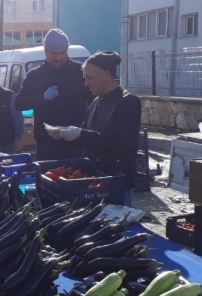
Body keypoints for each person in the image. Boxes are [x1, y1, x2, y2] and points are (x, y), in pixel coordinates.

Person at [46, 51, 142, 207]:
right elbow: (86, 133)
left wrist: (79, 134)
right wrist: (64, 133)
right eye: (84, 78)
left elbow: (118, 144)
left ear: (106, 74)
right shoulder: (96, 101)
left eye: (90, 78)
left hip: (117, 182)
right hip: (96, 180)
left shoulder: (128, 102)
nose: (85, 83)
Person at [14, 28, 92, 160]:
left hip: (76, 141)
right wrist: (41, 97)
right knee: (46, 178)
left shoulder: (79, 71)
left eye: (62, 52)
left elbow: (94, 99)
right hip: (47, 143)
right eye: (54, 53)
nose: (59, 58)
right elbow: (19, 103)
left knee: (76, 178)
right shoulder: (35, 75)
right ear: (46, 52)